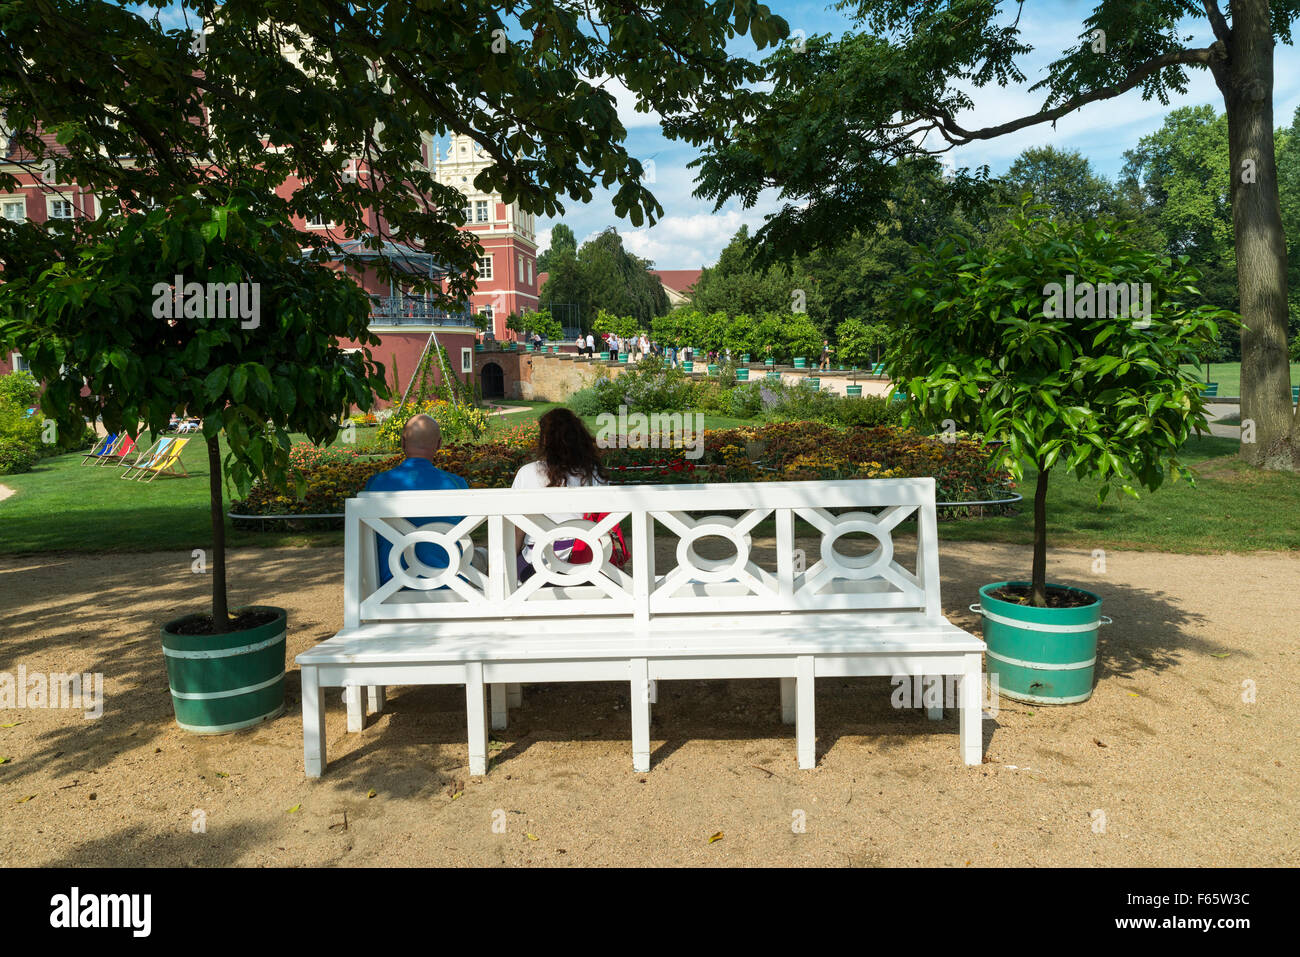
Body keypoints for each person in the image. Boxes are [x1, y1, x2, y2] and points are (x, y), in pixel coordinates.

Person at [362, 414, 469, 586]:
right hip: (446, 584)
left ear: (403, 442)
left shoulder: (376, 485)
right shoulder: (456, 485)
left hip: (390, 586)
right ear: (439, 444)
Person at [511, 408, 608, 583]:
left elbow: (516, 532)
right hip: (587, 564)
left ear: (545, 440)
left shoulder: (527, 473)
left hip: (536, 567)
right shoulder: (595, 475)